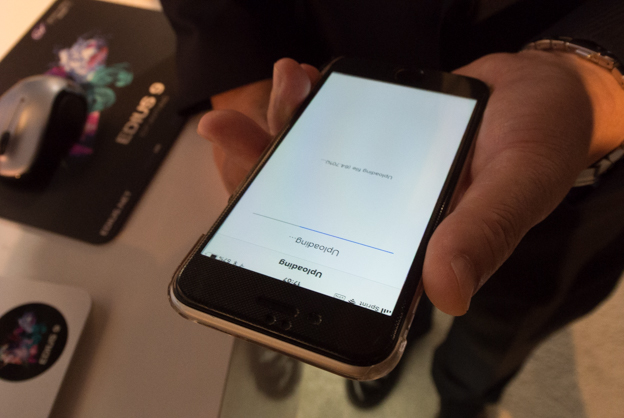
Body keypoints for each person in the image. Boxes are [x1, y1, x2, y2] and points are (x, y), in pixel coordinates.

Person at [160, 1, 624, 416]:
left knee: (504, 326)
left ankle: (462, 396)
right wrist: (237, 74)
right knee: (391, 294)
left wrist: (590, 83)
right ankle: (403, 343)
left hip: (571, 194)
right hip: (350, 83)